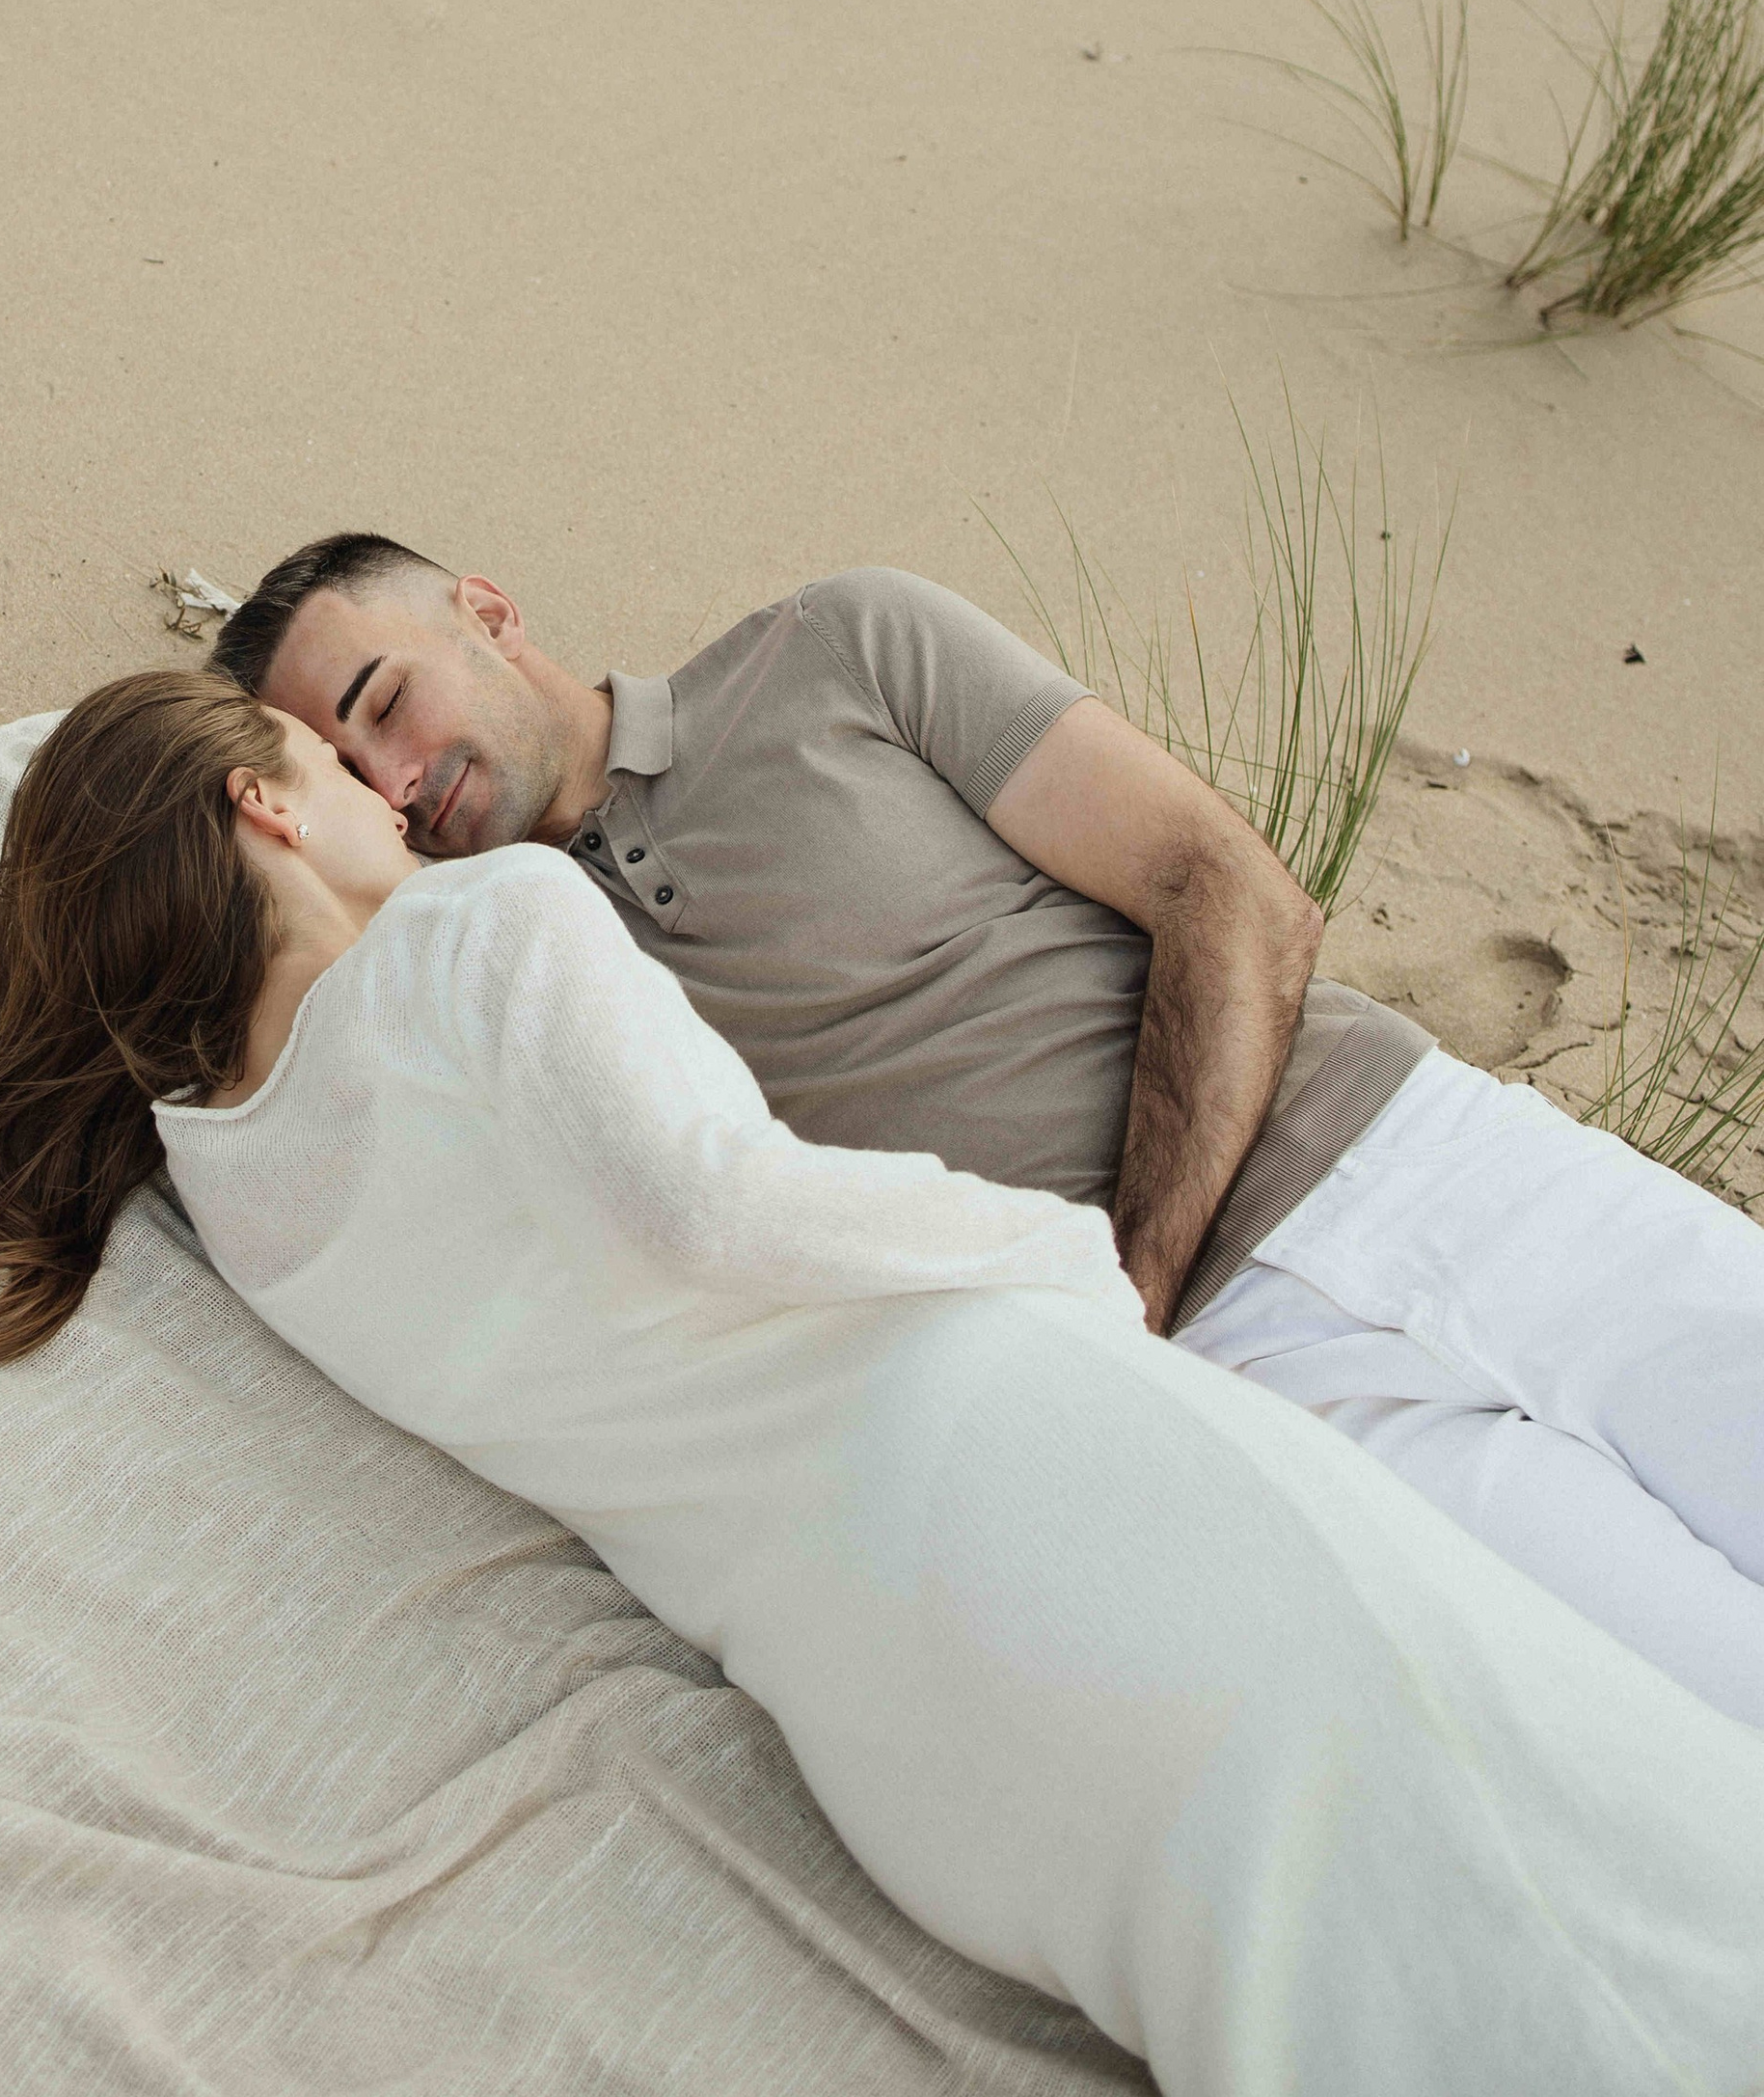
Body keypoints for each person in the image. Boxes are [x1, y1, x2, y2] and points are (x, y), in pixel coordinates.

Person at [0, 669, 1764, 2097]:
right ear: (259, 809)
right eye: (329, 768)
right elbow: (716, 1207)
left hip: (860, 1685)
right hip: (1026, 1465)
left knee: (1321, 2061)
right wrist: (1053, 1274)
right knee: (1587, 1878)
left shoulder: (234, 1183)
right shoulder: (488, 923)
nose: (392, 804)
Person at [213, 535, 1764, 1729]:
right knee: (1695, 1705)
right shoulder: (509, 978)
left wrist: (1137, 1293)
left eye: (386, 704)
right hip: (1266, 1398)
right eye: (353, 774)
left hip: (1431, 1160)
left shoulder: (835, 650)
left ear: (485, 609)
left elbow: (1224, 888)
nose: (401, 779)